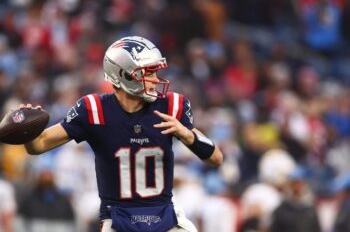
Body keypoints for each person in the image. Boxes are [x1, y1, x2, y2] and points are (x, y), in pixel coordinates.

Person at [21, 36, 223, 232]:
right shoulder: (93, 110)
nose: (155, 80)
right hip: (118, 219)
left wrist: (188, 136)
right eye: (148, 73)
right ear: (124, 74)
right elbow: (38, 146)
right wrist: (26, 129)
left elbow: (216, 158)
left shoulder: (171, 106)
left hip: (164, 217)